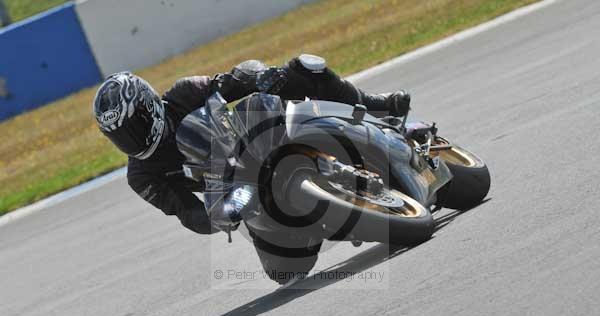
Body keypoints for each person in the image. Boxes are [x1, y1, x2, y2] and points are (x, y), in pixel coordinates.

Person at [93, 55, 411, 280]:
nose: (131, 140)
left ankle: (375, 105)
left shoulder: (183, 94)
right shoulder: (142, 175)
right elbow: (189, 214)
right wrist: (227, 213)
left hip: (260, 137)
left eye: (134, 127)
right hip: (241, 193)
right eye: (120, 135)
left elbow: (235, 79)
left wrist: (259, 74)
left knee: (302, 67)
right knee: (285, 272)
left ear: (149, 107)